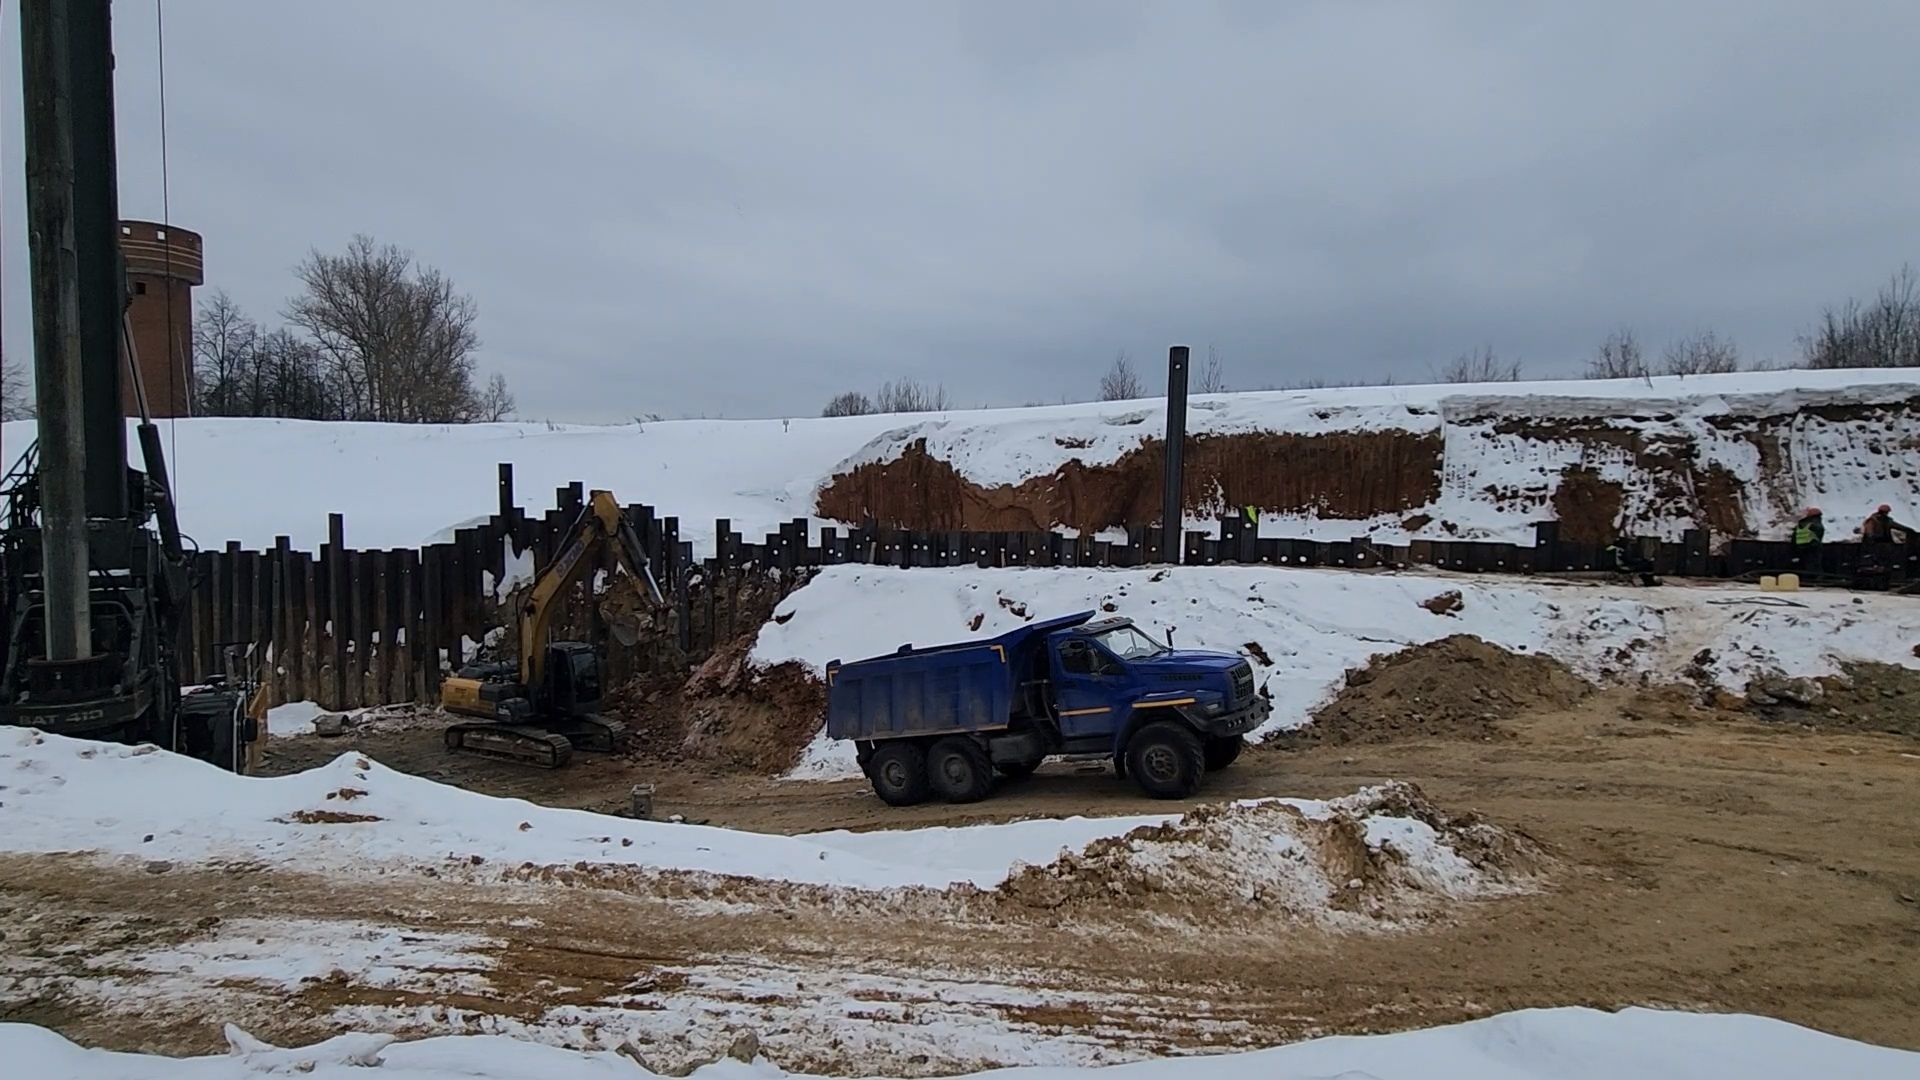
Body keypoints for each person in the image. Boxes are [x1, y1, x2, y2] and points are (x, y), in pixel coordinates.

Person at [1791, 506, 1824, 574]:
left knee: (1803, 567)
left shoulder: (1800, 525)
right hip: (1812, 548)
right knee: (1814, 567)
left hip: (1800, 549)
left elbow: (1794, 538)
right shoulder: (1816, 525)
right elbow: (1819, 535)